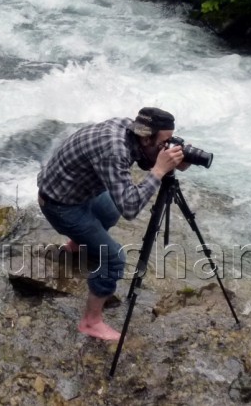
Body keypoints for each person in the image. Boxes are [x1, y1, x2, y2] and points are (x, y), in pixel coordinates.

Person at [37, 107, 186, 341]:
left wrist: (174, 159)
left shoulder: (130, 131)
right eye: (163, 143)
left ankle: (78, 243)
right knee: (115, 258)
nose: (165, 148)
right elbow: (131, 208)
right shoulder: (114, 149)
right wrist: (159, 170)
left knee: (110, 211)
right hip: (59, 204)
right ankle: (90, 322)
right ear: (146, 138)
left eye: (170, 142)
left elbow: (140, 164)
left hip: (75, 191)